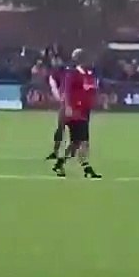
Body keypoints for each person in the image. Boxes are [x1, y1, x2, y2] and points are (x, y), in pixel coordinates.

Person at [52, 48, 101, 179]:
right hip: (75, 112)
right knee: (83, 142)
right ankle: (87, 169)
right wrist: (68, 107)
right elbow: (67, 92)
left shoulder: (89, 74)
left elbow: (91, 91)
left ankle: (60, 164)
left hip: (84, 112)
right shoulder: (73, 74)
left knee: (75, 143)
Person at [44, 59, 68, 160]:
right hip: (68, 102)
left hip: (70, 102)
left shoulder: (63, 73)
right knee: (61, 127)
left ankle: (58, 151)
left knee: (62, 127)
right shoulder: (60, 73)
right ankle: (57, 151)